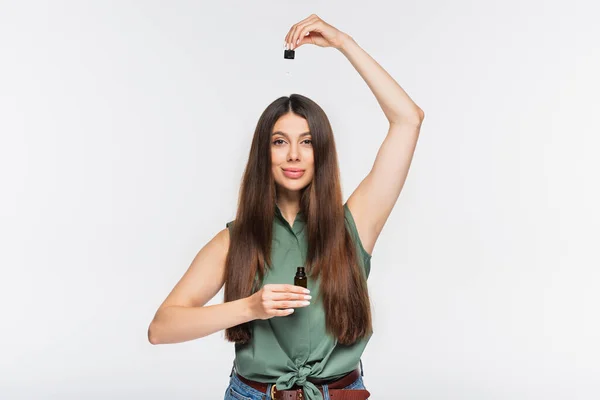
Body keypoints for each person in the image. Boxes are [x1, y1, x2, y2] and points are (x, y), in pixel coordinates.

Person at [147, 14, 424, 400]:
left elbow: (408, 120)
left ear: (321, 152)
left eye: (307, 142)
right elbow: (161, 328)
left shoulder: (355, 222)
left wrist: (344, 43)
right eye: (280, 141)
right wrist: (250, 307)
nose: (293, 155)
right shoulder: (235, 240)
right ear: (265, 152)